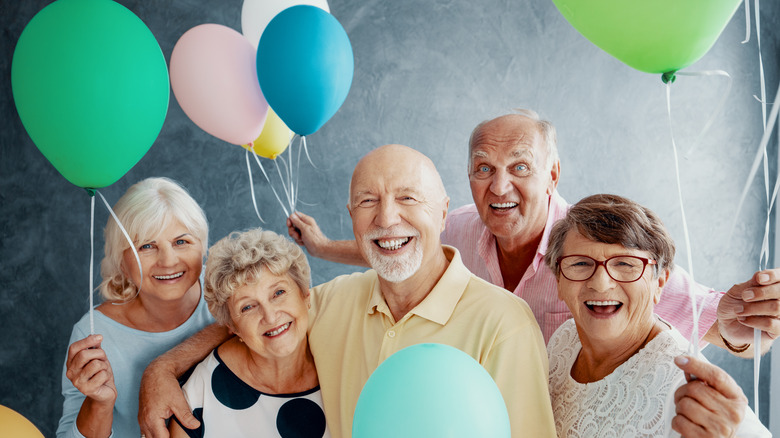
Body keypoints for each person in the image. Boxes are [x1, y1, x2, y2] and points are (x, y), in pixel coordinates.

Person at [139, 144, 556, 438]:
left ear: (444, 210)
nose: (387, 217)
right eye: (368, 202)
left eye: (408, 198)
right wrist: (161, 371)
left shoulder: (504, 323)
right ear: (352, 217)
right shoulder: (330, 302)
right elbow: (252, 318)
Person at [287, 110, 780, 354]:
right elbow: (398, 246)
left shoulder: (601, 246)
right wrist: (325, 246)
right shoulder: (459, 225)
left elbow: (710, 316)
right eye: (483, 168)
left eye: (519, 166)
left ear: (553, 175)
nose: (499, 186)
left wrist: (745, 325)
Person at [543, 194, 769, 437]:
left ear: (659, 283)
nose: (600, 284)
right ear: (558, 281)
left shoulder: (685, 384)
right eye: (580, 264)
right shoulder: (563, 340)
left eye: (625, 264)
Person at [57, 177, 214, 438]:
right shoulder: (93, 333)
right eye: (147, 246)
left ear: (202, 247)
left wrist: (163, 366)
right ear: (121, 261)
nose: (168, 261)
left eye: (181, 242)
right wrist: (99, 403)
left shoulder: (233, 292)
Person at [169, 228, 329, 438]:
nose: (270, 317)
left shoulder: (342, 366)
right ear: (232, 327)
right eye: (248, 307)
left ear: (306, 295)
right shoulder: (201, 394)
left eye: (278, 293)